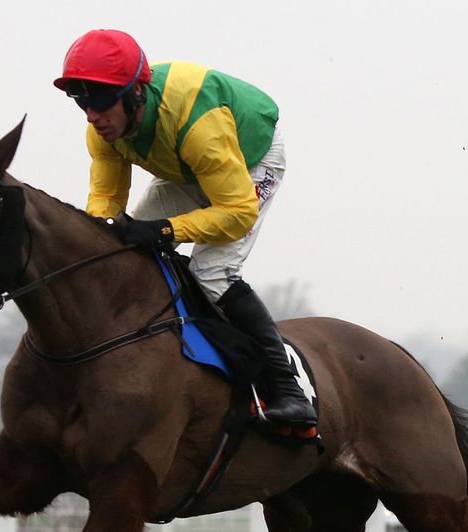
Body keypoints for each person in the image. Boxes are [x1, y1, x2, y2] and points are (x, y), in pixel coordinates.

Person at [53, 29, 316, 428]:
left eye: (101, 101)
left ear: (135, 94)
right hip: (189, 164)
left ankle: (287, 388)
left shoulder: (200, 129)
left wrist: (163, 231)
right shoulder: (102, 128)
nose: (92, 115)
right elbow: (105, 205)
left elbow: (238, 213)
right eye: (81, 101)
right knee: (122, 246)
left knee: (211, 273)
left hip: (248, 161)